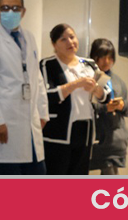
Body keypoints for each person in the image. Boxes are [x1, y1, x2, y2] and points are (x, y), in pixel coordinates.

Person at [0, 0, 49, 175]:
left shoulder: (29, 38)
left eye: (15, 8)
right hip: (5, 125)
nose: (10, 12)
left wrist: (43, 112)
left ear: (23, 12)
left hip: (29, 124)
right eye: (5, 8)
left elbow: (36, 77)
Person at [41, 23, 109, 175]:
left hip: (85, 131)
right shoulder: (48, 64)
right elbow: (47, 95)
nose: (70, 42)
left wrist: (96, 89)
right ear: (54, 44)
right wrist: (76, 84)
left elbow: (106, 96)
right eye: (63, 39)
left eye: (72, 37)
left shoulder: (88, 63)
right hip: (59, 133)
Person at [90, 38, 128, 175]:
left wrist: (121, 105)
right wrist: (104, 108)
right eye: (102, 57)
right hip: (94, 138)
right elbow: (82, 107)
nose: (106, 61)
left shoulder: (118, 81)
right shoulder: (87, 78)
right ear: (94, 57)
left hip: (116, 139)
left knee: (111, 177)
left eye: (110, 58)